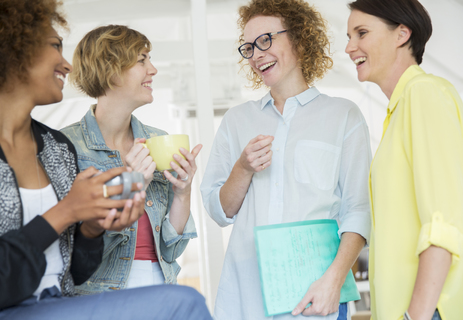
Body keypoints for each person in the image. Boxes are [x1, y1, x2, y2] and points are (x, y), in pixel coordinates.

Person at [0, 1, 211, 319]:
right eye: (142, 61)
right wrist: (75, 209)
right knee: (186, 302)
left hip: (71, 296)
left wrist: (95, 227)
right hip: (63, 299)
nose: (67, 64)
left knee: (184, 300)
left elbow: (74, 266)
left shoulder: (55, 148)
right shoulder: (71, 143)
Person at [200, 0, 372, 319]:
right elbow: (219, 210)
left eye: (266, 40)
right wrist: (243, 168)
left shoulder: (343, 116)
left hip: (316, 293)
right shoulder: (237, 121)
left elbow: (358, 210)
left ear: (299, 38)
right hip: (245, 294)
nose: (257, 54)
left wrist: (333, 282)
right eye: (248, 47)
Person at [345, 1, 463, 319]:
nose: (350, 47)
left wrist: (414, 315)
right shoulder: (400, 110)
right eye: (349, 36)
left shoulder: (424, 94)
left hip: (429, 310)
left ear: (401, 34)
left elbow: (442, 224)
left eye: (361, 33)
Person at [61, 25, 202, 292]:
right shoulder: (66, 147)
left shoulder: (157, 140)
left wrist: (183, 193)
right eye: (142, 60)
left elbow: (171, 252)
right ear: (110, 69)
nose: (153, 69)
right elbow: (73, 257)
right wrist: (130, 184)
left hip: (161, 287)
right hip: (100, 297)